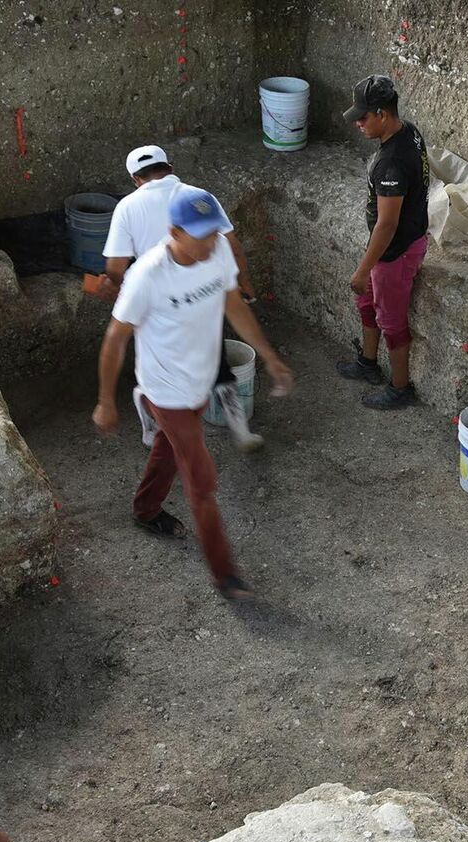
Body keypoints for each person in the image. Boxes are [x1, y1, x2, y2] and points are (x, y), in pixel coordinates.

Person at [93, 183, 294, 601]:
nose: (210, 243)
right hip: (165, 390)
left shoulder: (216, 250)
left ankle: (145, 510)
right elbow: (116, 338)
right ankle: (226, 576)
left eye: (213, 233)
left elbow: (232, 303)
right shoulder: (147, 276)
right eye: (200, 235)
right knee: (201, 480)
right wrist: (106, 400)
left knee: (170, 447)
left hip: (199, 379)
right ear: (175, 232)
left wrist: (269, 356)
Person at [101, 144, 265, 452]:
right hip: (200, 293)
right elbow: (231, 244)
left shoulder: (127, 206)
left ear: (136, 178)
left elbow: (114, 267)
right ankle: (240, 429)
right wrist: (246, 283)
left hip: (155, 305)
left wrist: (116, 287)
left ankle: (152, 430)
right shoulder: (199, 198)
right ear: (171, 168)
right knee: (215, 361)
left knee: (157, 372)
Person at [335, 74, 431, 411]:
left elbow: (388, 224)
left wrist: (363, 270)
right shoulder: (408, 131)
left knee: (391, 320)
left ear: (383, 115)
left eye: (363, 117)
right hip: (390, 246)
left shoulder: (391, 161)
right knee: (366, 305)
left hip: (396, 252)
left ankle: (399, 387)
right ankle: (368, 362)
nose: (358, 123)